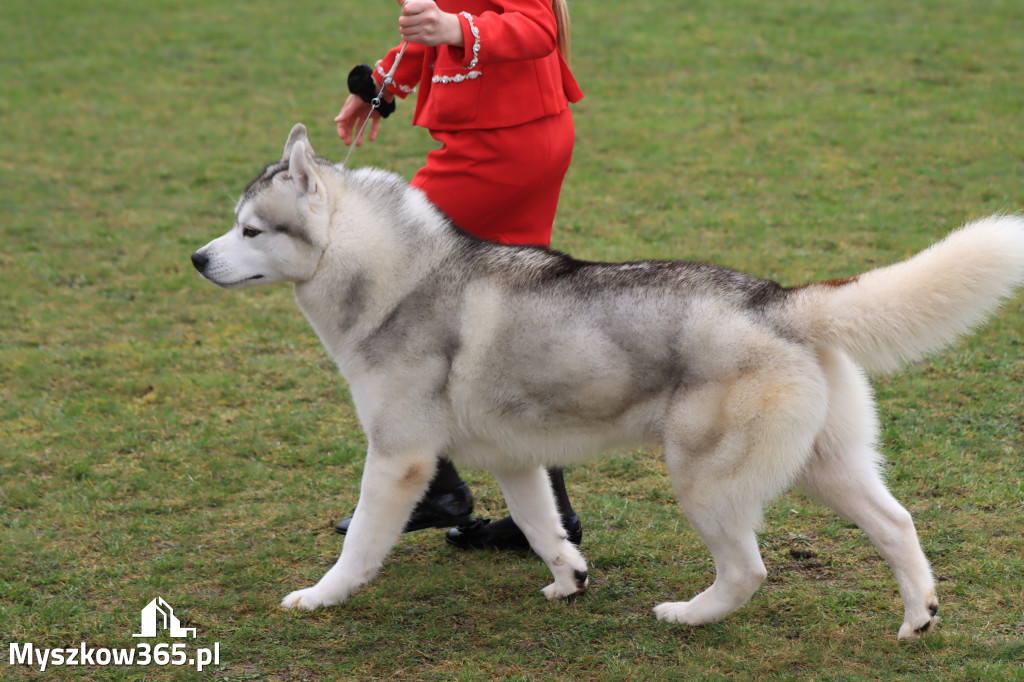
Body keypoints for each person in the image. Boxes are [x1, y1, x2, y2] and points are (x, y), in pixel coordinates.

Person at [332, 0, 584, 550]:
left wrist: (454, 28)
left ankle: (433, 487)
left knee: (390, 277)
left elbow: (534, 24)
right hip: (522, 136)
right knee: (511, 327)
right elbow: (435, 23)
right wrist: (380, 84)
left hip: (498, 146)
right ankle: (547, 516)